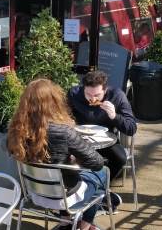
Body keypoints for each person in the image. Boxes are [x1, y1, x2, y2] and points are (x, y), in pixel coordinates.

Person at [7, 78, 110, 230]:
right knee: (102, 173)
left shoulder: (17, 129)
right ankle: (85, 225)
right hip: (65, 197)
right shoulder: (64, 131)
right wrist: (75, 160)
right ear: (54, 101)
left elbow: (10, 149)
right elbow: (97, 163)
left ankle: (65, 221)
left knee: (64, 174)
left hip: (35, 193)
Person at [67, 71, 137, 181]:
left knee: (120, 158)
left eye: (97, 95)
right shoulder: (74, 94)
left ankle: (102, 187)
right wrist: (69, 121)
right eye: (88, 94)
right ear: (83, 88)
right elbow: (63, 117)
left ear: (105, 90)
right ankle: (78, 186)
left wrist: (114, 116)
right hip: (79, 140)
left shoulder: (117, 96)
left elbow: (131, 128)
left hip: (107, 141)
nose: (93, 99)